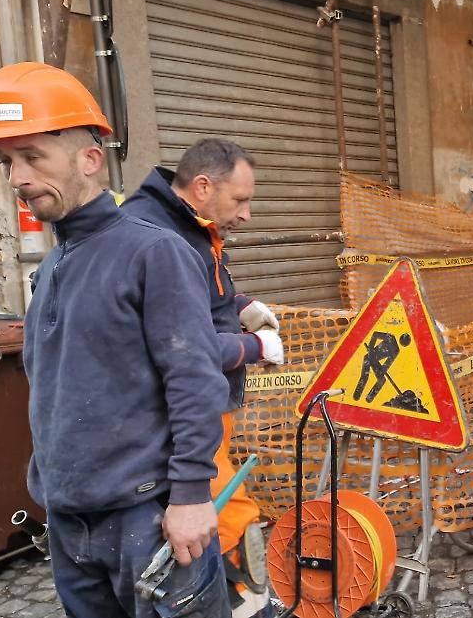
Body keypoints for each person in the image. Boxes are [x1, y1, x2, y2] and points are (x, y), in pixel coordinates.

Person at [0, 62, 231, 616]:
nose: (16, 177)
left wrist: (190, 496)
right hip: (70, 522)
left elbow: (195, 382)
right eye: (6, 161)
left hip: (150, 519)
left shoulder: (152, 253)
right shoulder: (56, 261)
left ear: (89, 159)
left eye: (33, 157)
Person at [121, 139, 283, 618]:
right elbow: (177, 346)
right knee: (222, 514)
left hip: (207, 411)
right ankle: (238, 600)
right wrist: (252, 348)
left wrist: (238, 306)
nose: (247, 214)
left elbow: (198, 302)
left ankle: (240, 593)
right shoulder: (157, 238)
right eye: (240, 201)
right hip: (180, 416)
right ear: (203, 186)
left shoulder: (191, 228)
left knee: (228, 503)